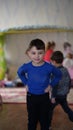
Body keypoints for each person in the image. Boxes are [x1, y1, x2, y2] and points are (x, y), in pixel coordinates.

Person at [17, 39, 62, 130]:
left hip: (44, 97)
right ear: (28, 53)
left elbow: (58, 75)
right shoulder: (26, 67)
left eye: (40, 53)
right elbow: (20, 73)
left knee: (44, 121)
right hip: (31, 97)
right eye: (33, 53)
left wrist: (51, 85)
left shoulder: (49, 67)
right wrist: (26, 83)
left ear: (44, 53)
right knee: (32, 120)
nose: (37, 56)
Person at [49, 51, 73, 129]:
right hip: (64, 94)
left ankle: (47, 125)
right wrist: (67, 90)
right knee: (66, 108)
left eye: (51, 62)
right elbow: (69, 81)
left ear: (54, 62)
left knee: (49, 109)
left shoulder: (55, 72)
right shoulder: (65, 69)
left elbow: (55, 86)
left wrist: (53, 97)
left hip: (56, 95)